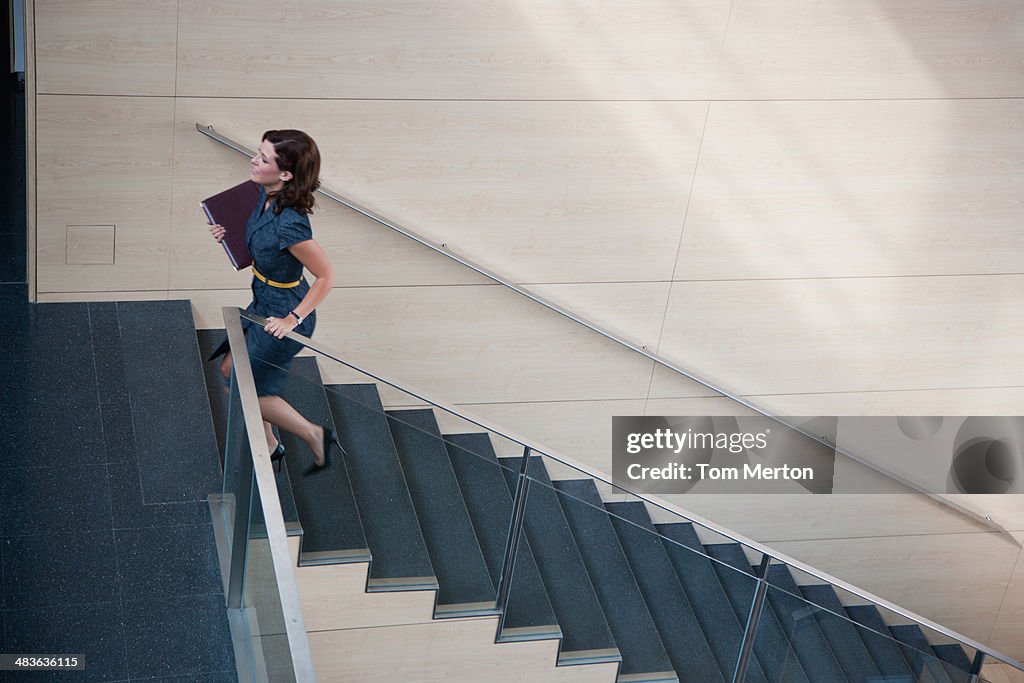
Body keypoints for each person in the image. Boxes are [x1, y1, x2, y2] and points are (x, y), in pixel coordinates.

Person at [208, 129, 339, 475]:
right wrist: (230, 236)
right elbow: (263, 244)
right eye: (258, 153)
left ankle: (314, 434)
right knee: (229, 369)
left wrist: (292, 319)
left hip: (285, 312)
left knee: (240, 383)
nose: (254, 160)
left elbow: (326, 276)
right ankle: (269, 442)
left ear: (286, 175)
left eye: (264, 159)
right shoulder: (263, 196)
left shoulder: (292, 224)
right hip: (263, 299)